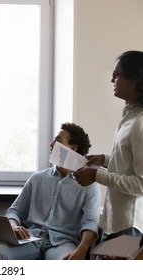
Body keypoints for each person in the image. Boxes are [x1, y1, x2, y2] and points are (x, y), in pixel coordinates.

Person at [0, 122, 101, 260]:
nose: (51, 144)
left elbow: (90, 222)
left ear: (73, 148)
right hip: (30, 238)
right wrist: (13, 226)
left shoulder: (90, 186)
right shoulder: (37, 178)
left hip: (63, 243)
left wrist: (82, 249)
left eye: (58, 140)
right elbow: (15, 211)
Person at [74, 50, 143, 248]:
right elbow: (126, 162)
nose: (112, 79)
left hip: (129, 227)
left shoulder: (140, 123)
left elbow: (141, 184)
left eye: (117, 74)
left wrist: (97, 176)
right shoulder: (129, 115)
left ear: (135, 79)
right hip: (113, 221)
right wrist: (103, 159)